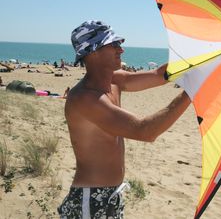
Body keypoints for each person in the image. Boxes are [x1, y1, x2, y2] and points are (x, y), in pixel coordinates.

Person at [57, 20, 191, 218]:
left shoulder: (114, 80)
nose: (121, 50)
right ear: (93, 52)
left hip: (111, 195)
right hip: (91, 199)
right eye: (114, 45)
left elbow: (158, 74)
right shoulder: (85, 98)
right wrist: (191, 93)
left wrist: (201, 61)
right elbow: (144, 131)